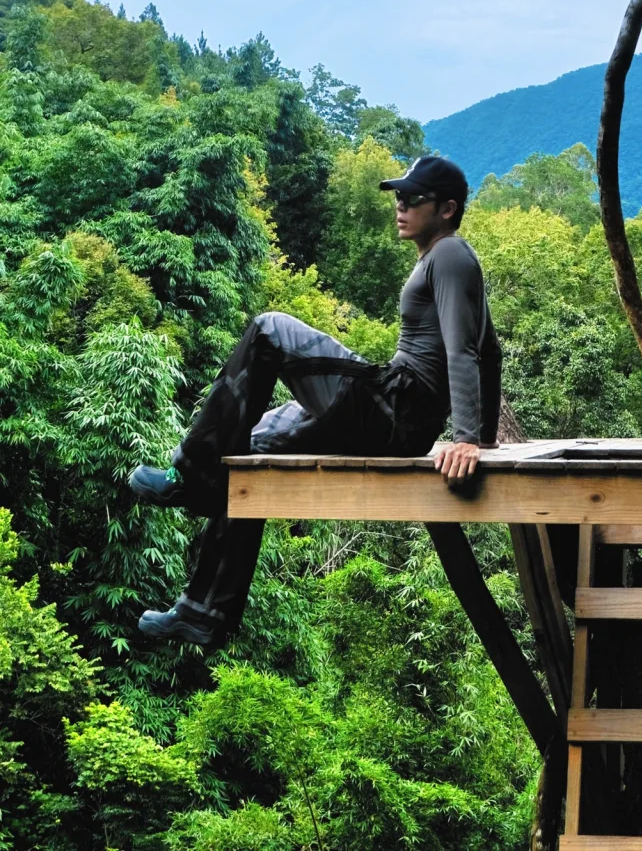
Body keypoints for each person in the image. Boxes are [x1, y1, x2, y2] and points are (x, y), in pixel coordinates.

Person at [128, 155, 501, 647]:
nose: (401, 206)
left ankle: (188, 477)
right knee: (248, 449)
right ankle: (204, 611)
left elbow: (465, 350)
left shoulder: (450, 255)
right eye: (398, 197)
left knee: (270, 329)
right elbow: (492, 351)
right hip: (395, 413)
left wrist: (469, 440)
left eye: (413, 199)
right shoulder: (445, 258)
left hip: (393, 408)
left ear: (448, 208)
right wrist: (487, 439)